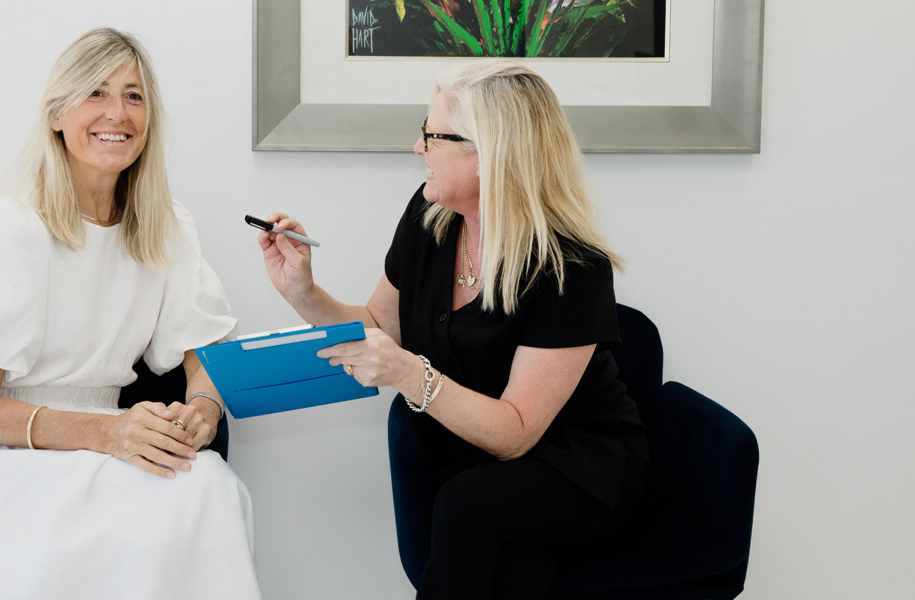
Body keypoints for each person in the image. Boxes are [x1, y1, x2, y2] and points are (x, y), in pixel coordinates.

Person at [0, 28, 261, 600]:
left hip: (104, 443)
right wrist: (107, 432)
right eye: (95, 92)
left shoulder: (165, 225)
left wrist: (203, 408)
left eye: (134, 95)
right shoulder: (8, 227)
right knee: (101, 536)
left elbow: (206, 350)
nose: (116, 112)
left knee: (212, 489)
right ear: (56, 115)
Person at [257, 59, 649, 599]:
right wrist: (302, 290)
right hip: (474, 453)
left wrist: (411, 375)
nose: (417, 149)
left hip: (575, 463)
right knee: (511, 568)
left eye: (430, 135)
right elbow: (375, 327)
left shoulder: (571, 269)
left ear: (488, 152)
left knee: (472, 507)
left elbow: (515, 435)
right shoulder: (429, 219)